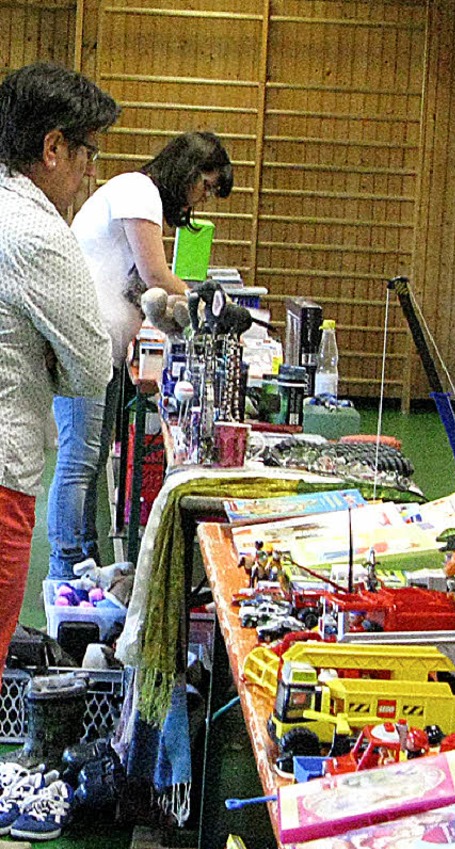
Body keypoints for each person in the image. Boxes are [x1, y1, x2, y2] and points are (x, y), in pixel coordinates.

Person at [47, 130, 233, 577]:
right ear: (187, 171)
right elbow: (154, 274)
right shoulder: (139, 190)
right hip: (84, 344)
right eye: (205, 186)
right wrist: (209, 303)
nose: (202, 199)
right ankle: (66, 563)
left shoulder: (139, 194)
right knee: (79, 459)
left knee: (88, 459)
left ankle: (82, 560)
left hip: (100, 347)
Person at [0, 61, 118, 678]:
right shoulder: (40, 232)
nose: (89, 170)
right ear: (52, 148)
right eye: (87, 153)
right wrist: (53, 355)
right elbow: (90, 369)